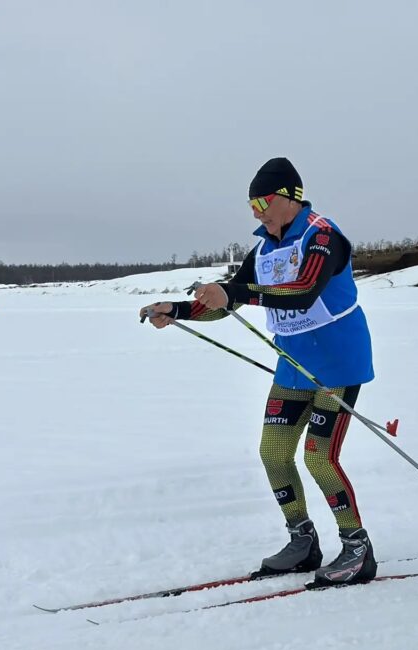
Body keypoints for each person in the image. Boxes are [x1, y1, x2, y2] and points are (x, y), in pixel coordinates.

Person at [139, 157, 376, 587]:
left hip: (338, 362)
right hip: (293, 363)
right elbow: (229, 300)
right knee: (273, 453)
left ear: (289, 197)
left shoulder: (322, 235)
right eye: (251, 204)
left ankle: (357, 548)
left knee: (319, 457)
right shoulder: (264, 249)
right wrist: (176, 310)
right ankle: (302, 540)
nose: (256, 212)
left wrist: (234, 291)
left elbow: (303, 291)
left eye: (262, 202)